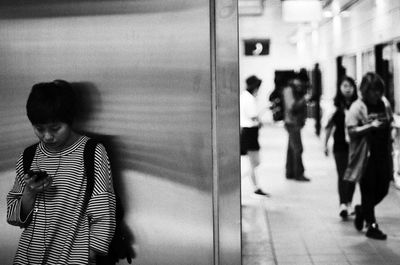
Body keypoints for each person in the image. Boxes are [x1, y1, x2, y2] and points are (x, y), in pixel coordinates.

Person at [6, 80, 116, 264]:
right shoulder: (29, 155)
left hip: (71, 256)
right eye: (39, 129)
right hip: (28, 257)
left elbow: (103, 205)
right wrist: (29, 193)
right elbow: (13, 215)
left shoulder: (91, 151)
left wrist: (92, 252)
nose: (47, 136)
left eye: (55, 128)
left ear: (70, 120)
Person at [344, 72, 393, 240]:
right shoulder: (357, 107)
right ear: (365, 91)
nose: (378, 94)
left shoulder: (384, 104)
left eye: (380, 90)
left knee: (384, 188)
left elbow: (390, 121)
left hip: (383, 154)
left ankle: (362, 210)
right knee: (368, 190)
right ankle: (371, 225)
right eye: (374, 91)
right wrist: (370, 126)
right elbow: (351, 131)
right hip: (365, 157)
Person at [324, 76, 358, 219]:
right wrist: (325, 144)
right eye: (345, 85)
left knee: (353, 176)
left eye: (350, 85)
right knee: (342, 174)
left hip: (356, 146)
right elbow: (329, 126)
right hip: (339, 146)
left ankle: (349, 203)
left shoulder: (358, 105)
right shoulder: (335, 106)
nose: (348, 88)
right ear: (339, 88)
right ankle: (342, 204)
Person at [240, 75, 269, 196]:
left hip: (246, 131)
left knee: (252, 162)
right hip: (250, 132)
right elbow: (253, 116)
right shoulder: (249, 99)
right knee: (253, 162)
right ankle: (255, 187)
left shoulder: (244, 96)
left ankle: (256, 186)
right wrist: (259, 120)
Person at [283, 72, 310, 182]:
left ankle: (290, 172)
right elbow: (292, 107)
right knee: (298, 148)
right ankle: (299, 173)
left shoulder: (295, 90)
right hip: (292, 123)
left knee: (291, 149)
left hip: (295, 123)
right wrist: (304, 99)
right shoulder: (289, 90)